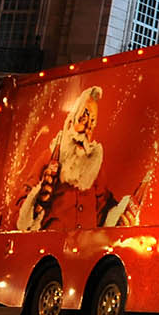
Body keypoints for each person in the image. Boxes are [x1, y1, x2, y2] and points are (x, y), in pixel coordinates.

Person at [16, 86, 140, 231]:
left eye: (92, 123)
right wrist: (36, 203)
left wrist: (122, 218)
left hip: (87, 250)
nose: (87, 129)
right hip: (54, 247)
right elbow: (21, 211)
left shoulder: (94, 168)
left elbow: (105, 209)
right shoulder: (49, 158)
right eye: (83, 119)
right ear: (70, 122)